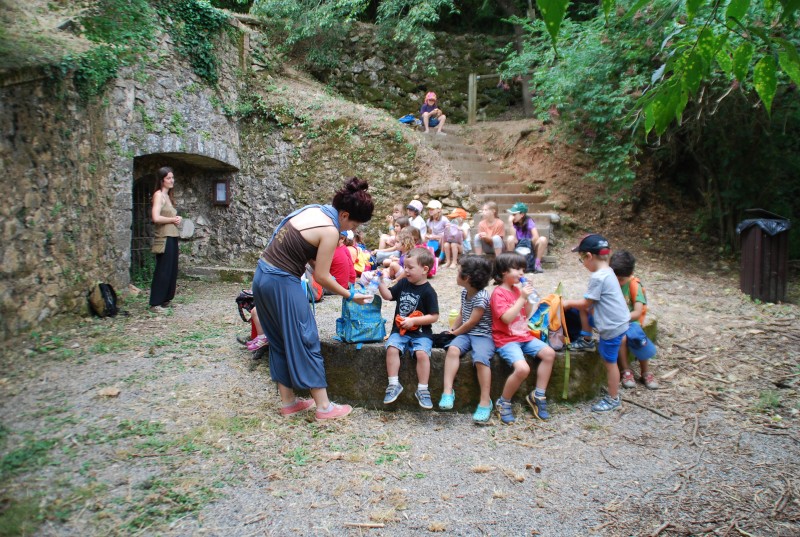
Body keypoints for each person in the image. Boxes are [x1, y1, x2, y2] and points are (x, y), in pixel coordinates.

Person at [253, 177, 374, 420]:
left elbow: (306, 253)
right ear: (345, 214)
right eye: (354, 224)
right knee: (305, 338)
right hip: (282, 283)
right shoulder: (331, 230)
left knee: (278, 340)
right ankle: (324, 407)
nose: (352, 230)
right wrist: (351, 294)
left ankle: (288, 403)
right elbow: (321, 275)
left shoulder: (314, 210)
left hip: (261, 277)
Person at [562, 234, 630, 413]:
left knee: (610, 362)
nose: (582, 263)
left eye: (581, 259)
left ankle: (613, 398)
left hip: (611, 327)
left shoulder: (599, 277)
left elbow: (585, 304)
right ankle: (586, 339)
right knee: (583, 309)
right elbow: (589, 304)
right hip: (617, 320)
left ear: (589, 257)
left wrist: (567, 303)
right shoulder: (608, 272)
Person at [491, 252, 556, 423]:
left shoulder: (517, 290)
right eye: (517, 269)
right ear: (504, 271)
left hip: (523, 336)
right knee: (523, 369)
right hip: (506, 339)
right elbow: (506, 318)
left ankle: (538, 395)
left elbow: (525, 315)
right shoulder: (499, 293)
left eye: (523, 269)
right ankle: (503, 402)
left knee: (549, 353)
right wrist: (522, 298)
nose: (521, 273)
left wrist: (530, 300)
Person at [378, 247, 440, 409]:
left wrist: (415, 322)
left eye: (410, 267)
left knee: (421, 354)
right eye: (404, 266)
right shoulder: (404, 283)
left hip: (421, 334)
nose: (406, 270)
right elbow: (389, 296)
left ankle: (423, 389)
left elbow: (434, 316)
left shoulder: (429, 292)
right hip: (400, 331)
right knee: (392, 347)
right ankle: (393, 384)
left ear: (425, 269)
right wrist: (379, 283)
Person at [440, 256, 496, 423]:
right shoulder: (465, 292)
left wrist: (456, 333)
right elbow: (462, 314)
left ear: (467, 278)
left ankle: (485, 401)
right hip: (466, 333)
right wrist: (452, 330)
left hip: (482, 335)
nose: (456, 274)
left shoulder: (482, 297)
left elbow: (472, 321)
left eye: (458, 272)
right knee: (452, 350)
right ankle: (448, 392)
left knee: (480, 359)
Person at [610, 250, 659, 390]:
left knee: (637, 337)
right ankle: (626, 370)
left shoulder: (634, 285)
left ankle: (645, 371)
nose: (618, 282)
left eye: (621, 279)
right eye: (615, 278)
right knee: (621, 339)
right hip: (615, 323)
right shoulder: (608, 282)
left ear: (629, 275)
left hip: (630, 321)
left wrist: (621, 319)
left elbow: (637, 312)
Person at [149, 167, 182, 312]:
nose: (171, 180)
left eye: (172, 177)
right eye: (168, 178)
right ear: (162, 180)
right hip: (164, 237)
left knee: (172, 269)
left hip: (172, 235)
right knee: (163, 269)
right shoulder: (158, 195)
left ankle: (166, 299)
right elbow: (155, 217)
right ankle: (155, 302)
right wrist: (171, 219)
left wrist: (176, 219)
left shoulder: (168, 196)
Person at [505, 202, 547, 274]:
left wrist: (528, 243)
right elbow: (514, 239)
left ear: (522, 214)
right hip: (518, 247)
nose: (512, 216)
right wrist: (510, 224)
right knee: (510, 238)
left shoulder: (529, 221)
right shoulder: (513, 223)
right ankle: (512, 265)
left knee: (543, 239)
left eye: (514, 214)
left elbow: (536, 237)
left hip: (530, 247)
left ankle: (537, 264)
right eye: (511, 214)